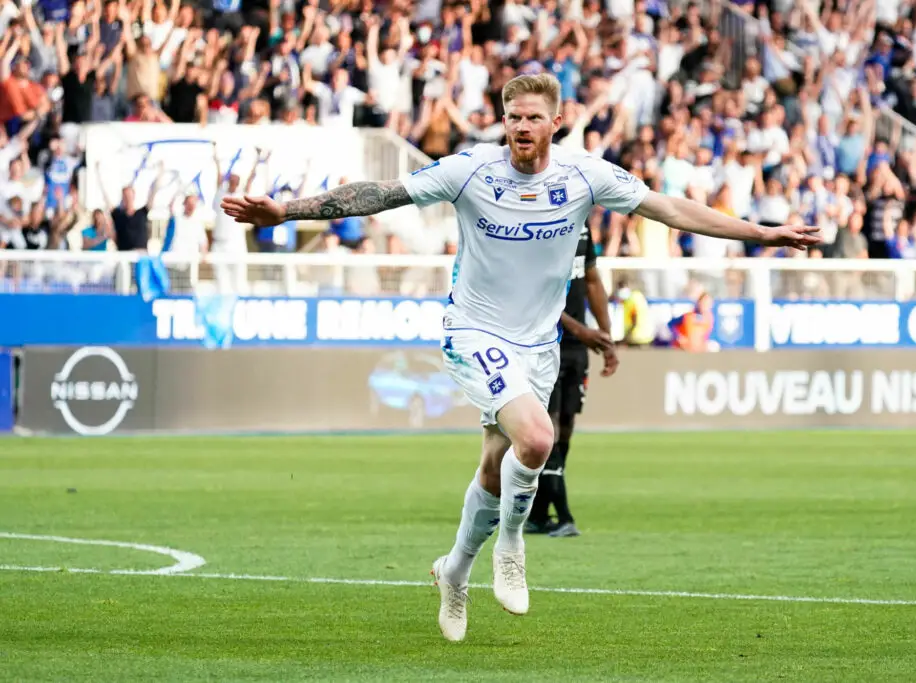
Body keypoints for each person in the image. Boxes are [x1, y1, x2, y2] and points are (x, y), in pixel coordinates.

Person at [221, 73, 821, 643]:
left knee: (494, 464)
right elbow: (382, 194)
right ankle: (511, 544)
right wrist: (288, 211)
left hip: (538, 344)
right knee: (536, 438)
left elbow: (669, 208)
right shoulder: (471, 170)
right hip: (474, 330)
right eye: (513, 117)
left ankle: (454, 572)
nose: (521, 127)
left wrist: (762, 234)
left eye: (533, 117)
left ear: (556, 122)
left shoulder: (585, 176)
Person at [526, 220, 617, 538]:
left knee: (565, 430)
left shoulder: (582, 226)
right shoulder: (540, 223)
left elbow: (592, 280)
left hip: (578, 348)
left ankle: (538, 514)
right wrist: (582, 330)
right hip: (543, 343)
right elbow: (536, 293)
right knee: (546, 431)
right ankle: (564, 516)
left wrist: (606, 336)